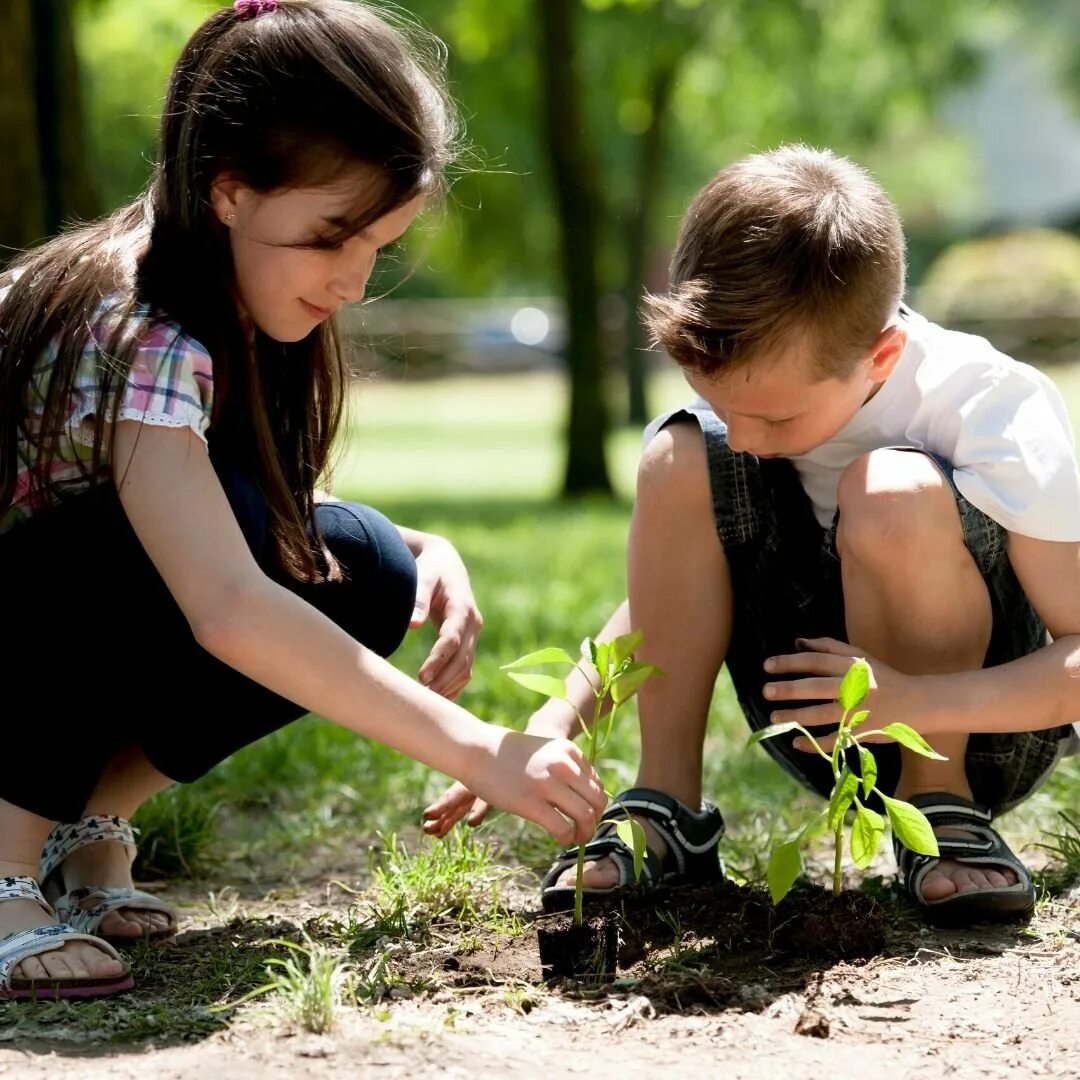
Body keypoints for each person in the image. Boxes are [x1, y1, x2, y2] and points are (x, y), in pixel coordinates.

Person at [0, 0, 605, 1001]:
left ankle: (83, 826)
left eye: (380, 245)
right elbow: (224, 599)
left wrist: (417, 547)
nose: (353, 284)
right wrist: (484, 752)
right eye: (332, 240)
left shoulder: (220, 300)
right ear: (230, 192)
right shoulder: (138, 327)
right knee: (202, 562)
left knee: (364, 561)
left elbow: (223, 511)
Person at [425, 144, 1080, 926]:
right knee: (679, 452)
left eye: (772, 417)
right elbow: (669, 600)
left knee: (889, 487)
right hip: (815, 712)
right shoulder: (749, 419)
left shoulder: (989, 408)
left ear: (882, 356)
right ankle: (669, 803)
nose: (743, 439)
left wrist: (914, 700)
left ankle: (941, 810)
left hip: (978, 724)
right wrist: (559, 716)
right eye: (723, 403)